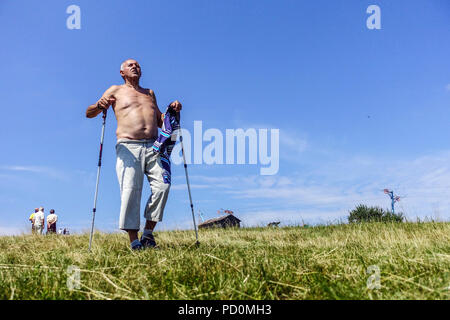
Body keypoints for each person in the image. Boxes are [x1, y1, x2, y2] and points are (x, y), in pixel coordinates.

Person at [86, 59, 182, 250]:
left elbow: (160, 120)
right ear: (122, 72)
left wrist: (172, 111)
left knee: (163, 186)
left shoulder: (150, 93)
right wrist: (99, 104)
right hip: (128, 146)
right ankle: (134, 241)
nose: (135, 66)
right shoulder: (115, 90)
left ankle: (148, 234)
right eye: (130, 65)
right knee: (130, 190)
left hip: (155, 146)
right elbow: (89, 113)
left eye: (137, 64)